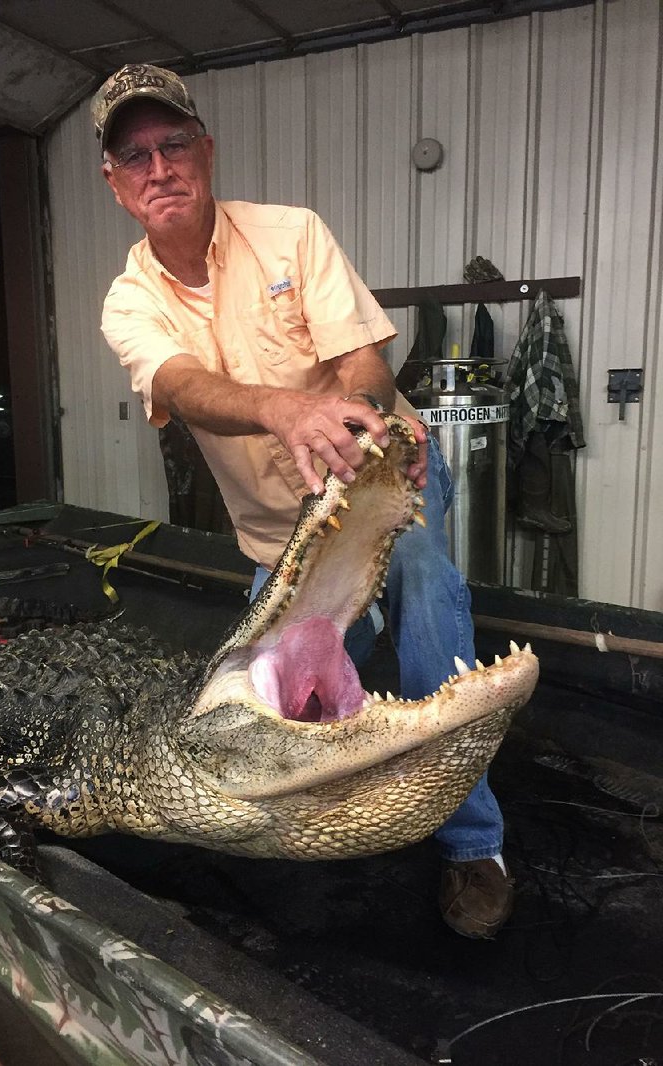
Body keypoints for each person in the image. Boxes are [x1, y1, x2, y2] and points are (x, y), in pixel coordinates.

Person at [93, 63, 514, 938]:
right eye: (135, 156)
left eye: (174, 143)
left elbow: (364, 358)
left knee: (432, 602)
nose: (159, 167)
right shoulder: (129, 300)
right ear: (116, 184)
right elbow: (183, 383)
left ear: (206, 150)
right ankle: (313, 828)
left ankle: (474, 845)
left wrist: (350, 415)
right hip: (273, 539)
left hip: (370, 501)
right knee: (261, 697)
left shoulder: (291, 234)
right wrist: (285, 409)